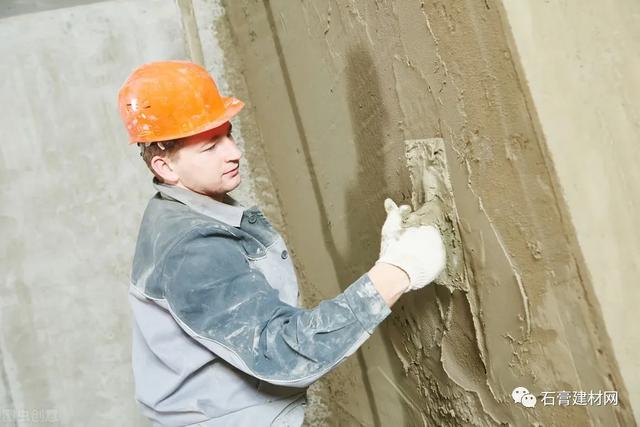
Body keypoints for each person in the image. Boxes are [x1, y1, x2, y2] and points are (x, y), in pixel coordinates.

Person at [119, 60, 446, 427]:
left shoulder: (187, 213)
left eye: (228, 134)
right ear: (165, 167)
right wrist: (398, 271)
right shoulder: (191, 249)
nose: (234, 152)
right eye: (211, 146)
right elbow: (282, 354)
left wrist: (390, 261)